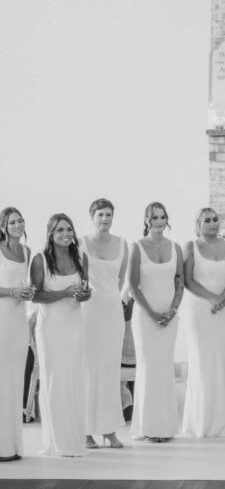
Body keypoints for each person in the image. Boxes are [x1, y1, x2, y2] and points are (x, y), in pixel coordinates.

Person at [31, 214, 92, 456]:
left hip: (75, 324)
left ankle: (74, 439)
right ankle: (57, 442)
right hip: (51, 327)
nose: (66, 234)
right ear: (51, 234)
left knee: (74, 379)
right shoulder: (40, 260)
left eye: (69, 229)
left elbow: (86, 289)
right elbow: (35, 296)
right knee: (55, 381)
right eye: (60, 231)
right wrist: (65, 293)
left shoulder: (81, 257)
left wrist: (84, 295)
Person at [182, 206, 225, 438]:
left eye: (215, 219)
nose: (213, 223)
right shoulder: (191, 247)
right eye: (207, 220)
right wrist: (212, 298)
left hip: (224, 308)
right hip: (199, 308)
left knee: (222, 360)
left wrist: (223, 298)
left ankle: (223, 420)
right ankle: (201, 420)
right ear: (198, 224)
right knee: (201, 360)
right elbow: (187, 280)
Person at [127, 202, 184, 443]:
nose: (159, 221)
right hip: (145, 316)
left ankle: (165, 427)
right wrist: (151, 313)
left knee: (164, 368)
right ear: (147, 220)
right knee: (149, 368)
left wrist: (172, 310)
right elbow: (132, 286)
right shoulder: (137, 247)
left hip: (169, 316)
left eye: (162, 217)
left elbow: (179, 282)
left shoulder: (176, 248)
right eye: (154, 217)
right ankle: (148, 427)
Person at [82, 197, 128, 449]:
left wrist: (112, 296)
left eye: (108, 214)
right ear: (92, 217)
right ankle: (87, 431)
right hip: (89, 312)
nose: (104, 219)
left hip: (112, 312)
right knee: (89, 370)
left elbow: (122, 280)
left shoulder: (123, 244)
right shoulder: (82, 243)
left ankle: (109, 430)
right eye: (100, 215)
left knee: (110, 371)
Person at [0, 207, 35, 460]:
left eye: (21, 220)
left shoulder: (27, 252)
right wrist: (12, 292)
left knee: (14, 379)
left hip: (18, 319)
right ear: (3, 225)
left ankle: (12, 445)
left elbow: (27, 283)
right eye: (13, 222)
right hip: (2, 316)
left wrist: (28, 292)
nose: (18, 225)